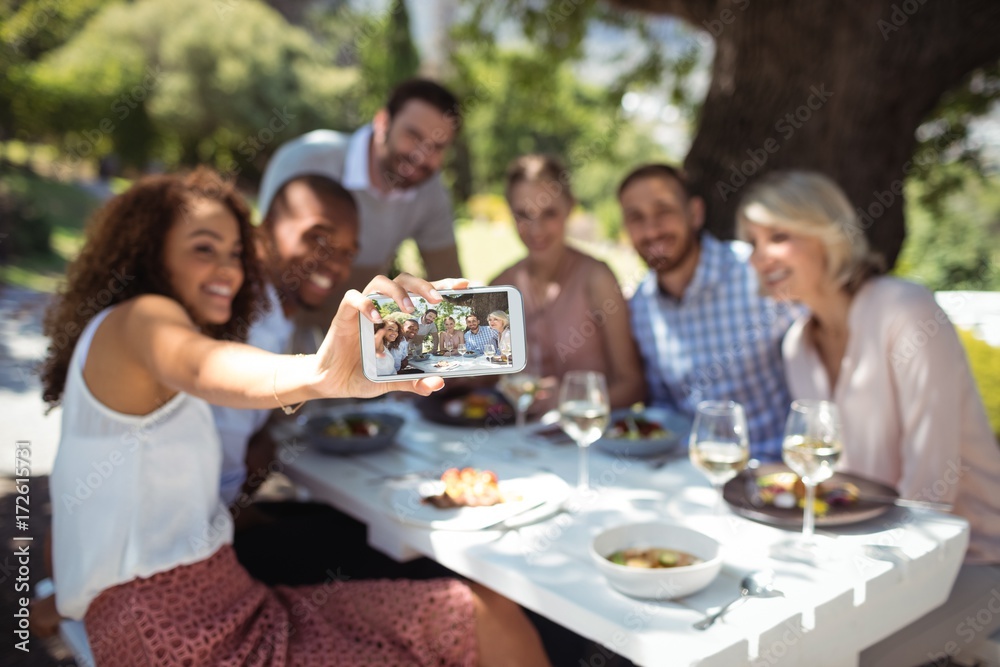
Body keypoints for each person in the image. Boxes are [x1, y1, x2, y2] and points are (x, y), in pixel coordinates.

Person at [40, 169, 551, 666]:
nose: (228, 269)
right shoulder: (143, 318)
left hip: (227, 602)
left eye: (234, 253)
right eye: (203, 248)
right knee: (480, 616)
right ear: (149, 252)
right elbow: (205, 366)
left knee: (482, 613)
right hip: (176, 633)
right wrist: (318, 374)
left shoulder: (138, 336)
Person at [737, 170, 1000, 666]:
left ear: (828, 234)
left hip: (969, 560)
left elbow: (931, 499)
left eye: (778, 236)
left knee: (827, 655)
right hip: (867, 551)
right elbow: (834, 481)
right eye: (751, 242)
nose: (758, 257)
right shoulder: (798, 345)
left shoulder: (906, 312)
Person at [621, 163, 799, 461]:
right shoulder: (640, 306)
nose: (651, 230)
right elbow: (664, 409)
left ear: (695, 213)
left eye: (663, 211)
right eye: (636, 218)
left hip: (770, 476)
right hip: (687, 476)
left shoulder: (756, 272)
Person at [258, 78, 464, 333]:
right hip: (267, 329)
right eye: (413, 135)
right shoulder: (306, 159)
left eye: (437, 146)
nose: (421, 154)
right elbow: (263, 252)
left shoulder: (431, 192)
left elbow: (452, 285)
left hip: (352, 337)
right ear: (382, 122)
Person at [214, 173, 359, 508]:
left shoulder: (275, 313)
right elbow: (221, 460)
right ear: (265, 231)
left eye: (348, 253)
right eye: (319, 240)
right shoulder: (247, 318)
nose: (335, 265)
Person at [492, 154, 645, 413]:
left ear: (570, 208)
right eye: (523, 215)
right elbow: (489, 378)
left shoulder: (597, 279)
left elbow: (633, 386)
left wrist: (570, 402)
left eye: (549, 213)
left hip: (590, 440)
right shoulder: (502, 285)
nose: (536, 229)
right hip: (520, 440)